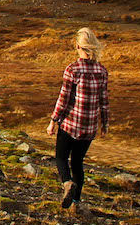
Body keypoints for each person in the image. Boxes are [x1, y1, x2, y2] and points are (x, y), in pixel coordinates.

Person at [46, 27, 109, 210]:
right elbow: (104, 101)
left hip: (70, 124)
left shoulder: (73, 69)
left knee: (61, 157)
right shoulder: (102, 71)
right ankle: (76, 203)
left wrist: (53, 121)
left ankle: (67, 183)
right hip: (89, 128)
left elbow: (64, 99)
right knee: (78, 162)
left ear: (77, 46)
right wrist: (104, 123)